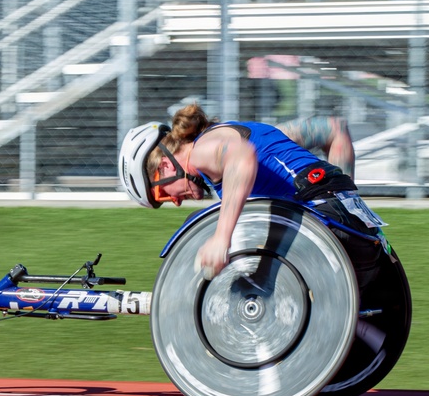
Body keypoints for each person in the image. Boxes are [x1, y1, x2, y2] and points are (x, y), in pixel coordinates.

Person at [118, 104, 387, 288]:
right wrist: (345, 195)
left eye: (161, 195)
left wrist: (220, 239)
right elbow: (334, 129)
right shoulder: (249, 131)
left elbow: (242, 157)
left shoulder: (202, 151)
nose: (174, 200)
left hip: (326, 225)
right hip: (362, 231)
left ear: (165, 166)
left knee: (203, 225)